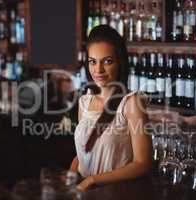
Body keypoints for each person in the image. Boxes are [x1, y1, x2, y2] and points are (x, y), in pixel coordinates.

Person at [69, 25, 152, 190]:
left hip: (114, 193)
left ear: (119, 62)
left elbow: (143, 164)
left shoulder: (131, 102)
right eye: (93, 62)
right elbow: (83, 154)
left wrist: (93, 180)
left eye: (107, 61)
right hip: (84, 191)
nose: (98, 69)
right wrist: (69, 179)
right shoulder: (84, 102)